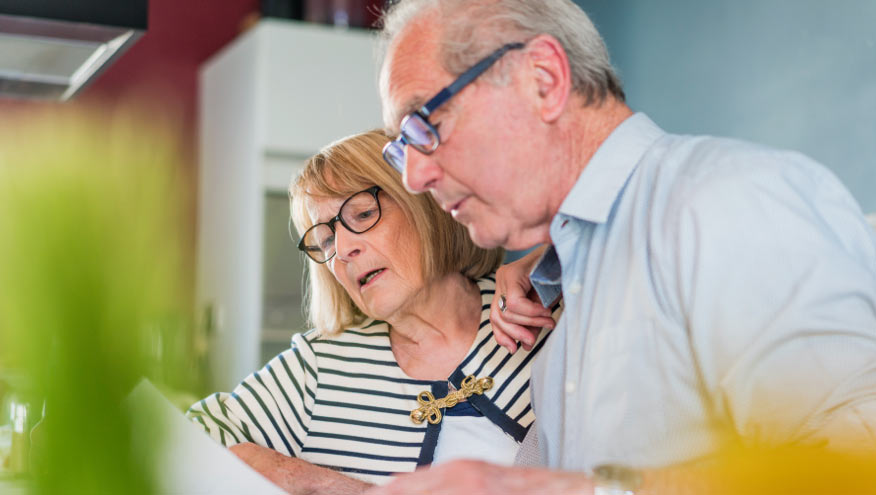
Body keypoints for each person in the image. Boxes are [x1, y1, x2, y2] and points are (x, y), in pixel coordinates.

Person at [370, 0, 876, 493]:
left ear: (542, 80)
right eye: (401, 148)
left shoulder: (727, 200)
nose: (414, 177)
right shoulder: (565, 280)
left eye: (423, 123)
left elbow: (858, 463)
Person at [186, 130, 560, 494]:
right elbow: (179, 446)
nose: (343, 249)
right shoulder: (319, 367)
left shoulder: (535, 304)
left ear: (425, 205)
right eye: (326, 239)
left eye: (362, 214)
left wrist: (554, 262)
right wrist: (323, 484)